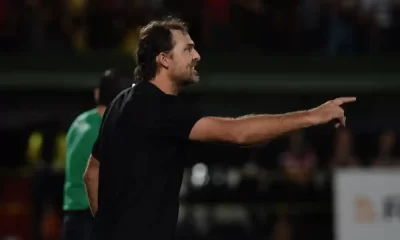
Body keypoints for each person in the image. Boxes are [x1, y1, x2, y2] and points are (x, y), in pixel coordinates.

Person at [84, 17, 356, 240]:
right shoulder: (160, 108)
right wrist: (311, 116)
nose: (197, 55)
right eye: (188, 49)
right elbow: (239, 133)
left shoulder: (121, 102)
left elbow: (91, 173)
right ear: (164, 60)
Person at [61, 69, 132, 240]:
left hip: (71, 219)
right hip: (93, 217)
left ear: (97, 94)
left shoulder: (78, 122)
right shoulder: (111, 129)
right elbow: (92, 177)